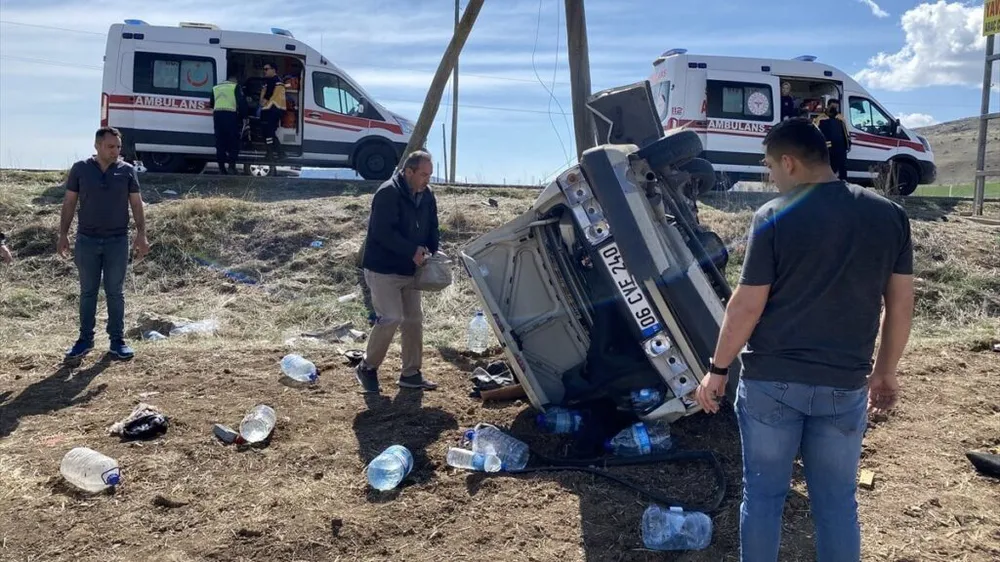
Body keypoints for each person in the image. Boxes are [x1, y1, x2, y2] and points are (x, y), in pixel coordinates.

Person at [694, 118, 914, 562]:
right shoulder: (889, 215)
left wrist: (717, 370)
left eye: (770, 166)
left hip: (771, 384)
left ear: (790, 163)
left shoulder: (774, 215)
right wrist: (884, 372)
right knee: (837, 505)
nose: (769, 175)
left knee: (763, 500)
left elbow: (746, 305)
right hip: (844, 385)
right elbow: (901, 305)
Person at [58, 127, 151, 361]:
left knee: (115, 293)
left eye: (118, 147)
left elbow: (137, 204)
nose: (116, 151)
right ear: (97, 146)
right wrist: (63, 234)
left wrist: (141, 234)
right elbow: (69, 202)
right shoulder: (80, 169)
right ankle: (84, 340)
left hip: (117, 241)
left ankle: (117, 341)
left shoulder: (127, 171)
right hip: (86, 240)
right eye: (111, 147)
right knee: (88, 292)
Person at [355, 150, 440, 393]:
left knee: (414, 321)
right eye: (424, 174)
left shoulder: (427, 195)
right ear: (409, 171)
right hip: (383, 270)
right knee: (391, 317)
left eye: (430, 175)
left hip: (411, 270)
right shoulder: (387, 193)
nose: (427, 180)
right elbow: (382, 233)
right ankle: (367, 367)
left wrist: (431, 252)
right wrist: (411, 250)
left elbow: (432, 226)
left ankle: (411, 373)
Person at [210, 71, 247, 175]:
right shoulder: (235, 87)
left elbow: (212, 103)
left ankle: (221, 169)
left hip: (217, 116)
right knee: (233, 142)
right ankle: (231, 167)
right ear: (234, 81)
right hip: (230, 116)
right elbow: (242, 103)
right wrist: (245, 116)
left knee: (220, 142)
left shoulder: (216, 87)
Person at [816, 99, 852, 181]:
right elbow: (815, 133)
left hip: (840, 148)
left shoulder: (840, 118)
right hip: (827, 149)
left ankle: (843, 184)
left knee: (842, 168)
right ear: (828, 106)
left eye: (836, 107)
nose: (834, 109)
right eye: (833, 106)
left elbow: (846, 132)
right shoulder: (821, 118)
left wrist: (848, 144)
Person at [259, 62, 287, 162]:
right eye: (264, 69)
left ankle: (276, 153)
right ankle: (272, 153)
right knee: (269, 133)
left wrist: (263, 101)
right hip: (276, 110)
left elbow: (268, 93)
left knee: (268, 132)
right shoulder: (278, 81)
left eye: (267, 69)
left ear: (273, 70)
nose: (264, 71)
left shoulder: (272, 81)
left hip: (271, 110)